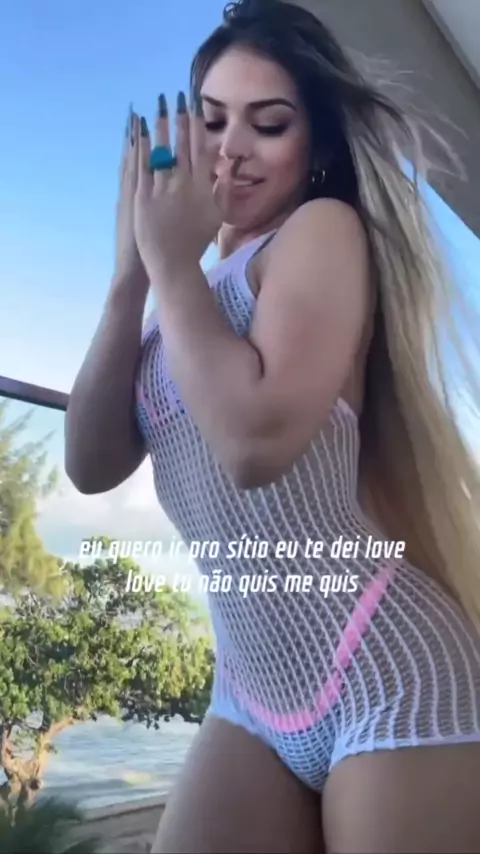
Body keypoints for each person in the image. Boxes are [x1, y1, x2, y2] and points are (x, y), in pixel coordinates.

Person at [65, 0, 480, 851]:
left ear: (314, 144)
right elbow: (90, 464)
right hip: (248, 696)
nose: (231, 148)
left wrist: (171, 263)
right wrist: (130, 276)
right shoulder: (176, 306)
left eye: (269, 123)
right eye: (212, 119)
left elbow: (255, 445)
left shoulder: (320, 233)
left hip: (385, 669)